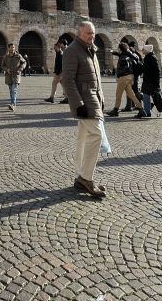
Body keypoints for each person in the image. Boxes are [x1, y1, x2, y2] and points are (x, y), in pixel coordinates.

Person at [60, 21, 106, 198]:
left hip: (94, 99)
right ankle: (87, 178)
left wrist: (101, 98)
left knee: (84, 138)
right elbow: (67, 80)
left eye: (93, 33)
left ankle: (81, 175)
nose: (91, 36)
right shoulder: (72, 50)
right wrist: (78, 103)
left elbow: (96, 77)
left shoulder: (91, 49)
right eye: (88, 33)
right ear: (79, 33)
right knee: (96, 135)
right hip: (85, 101)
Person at [106, 42, 143, 117]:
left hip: (124, 77)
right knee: (131, 95)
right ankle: (141, 109)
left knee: (118, 94)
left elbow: (125, 65)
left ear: (120, 48)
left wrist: (119, 74)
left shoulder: (124, 57)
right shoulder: (128, 54)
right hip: (129, 77)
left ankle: (115, 110)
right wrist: (113, 52)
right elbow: (120, 54)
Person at [138, 45, 162, 119]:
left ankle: (147, 112)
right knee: (153, 97)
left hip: (150, 81)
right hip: (149, 81)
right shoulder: (149, 57)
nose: (142, 50)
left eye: (143, 49)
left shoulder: (151, 58)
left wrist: (157, 83)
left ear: (147, 50)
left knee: (153, 98)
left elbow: (157, 71)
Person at [0, 43, 27, 111]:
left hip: (16, 75)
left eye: (14, 47)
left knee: (14, 90)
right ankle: (12, 103)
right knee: (11, 90)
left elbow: (24, 62)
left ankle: (13, 104)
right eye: (12, 47)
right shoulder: (6, 56)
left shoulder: (18, 56)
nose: (13, 49)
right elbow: (2, 65)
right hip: (8, 76)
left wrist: (21, 68)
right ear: (8, 48)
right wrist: (7, 69)